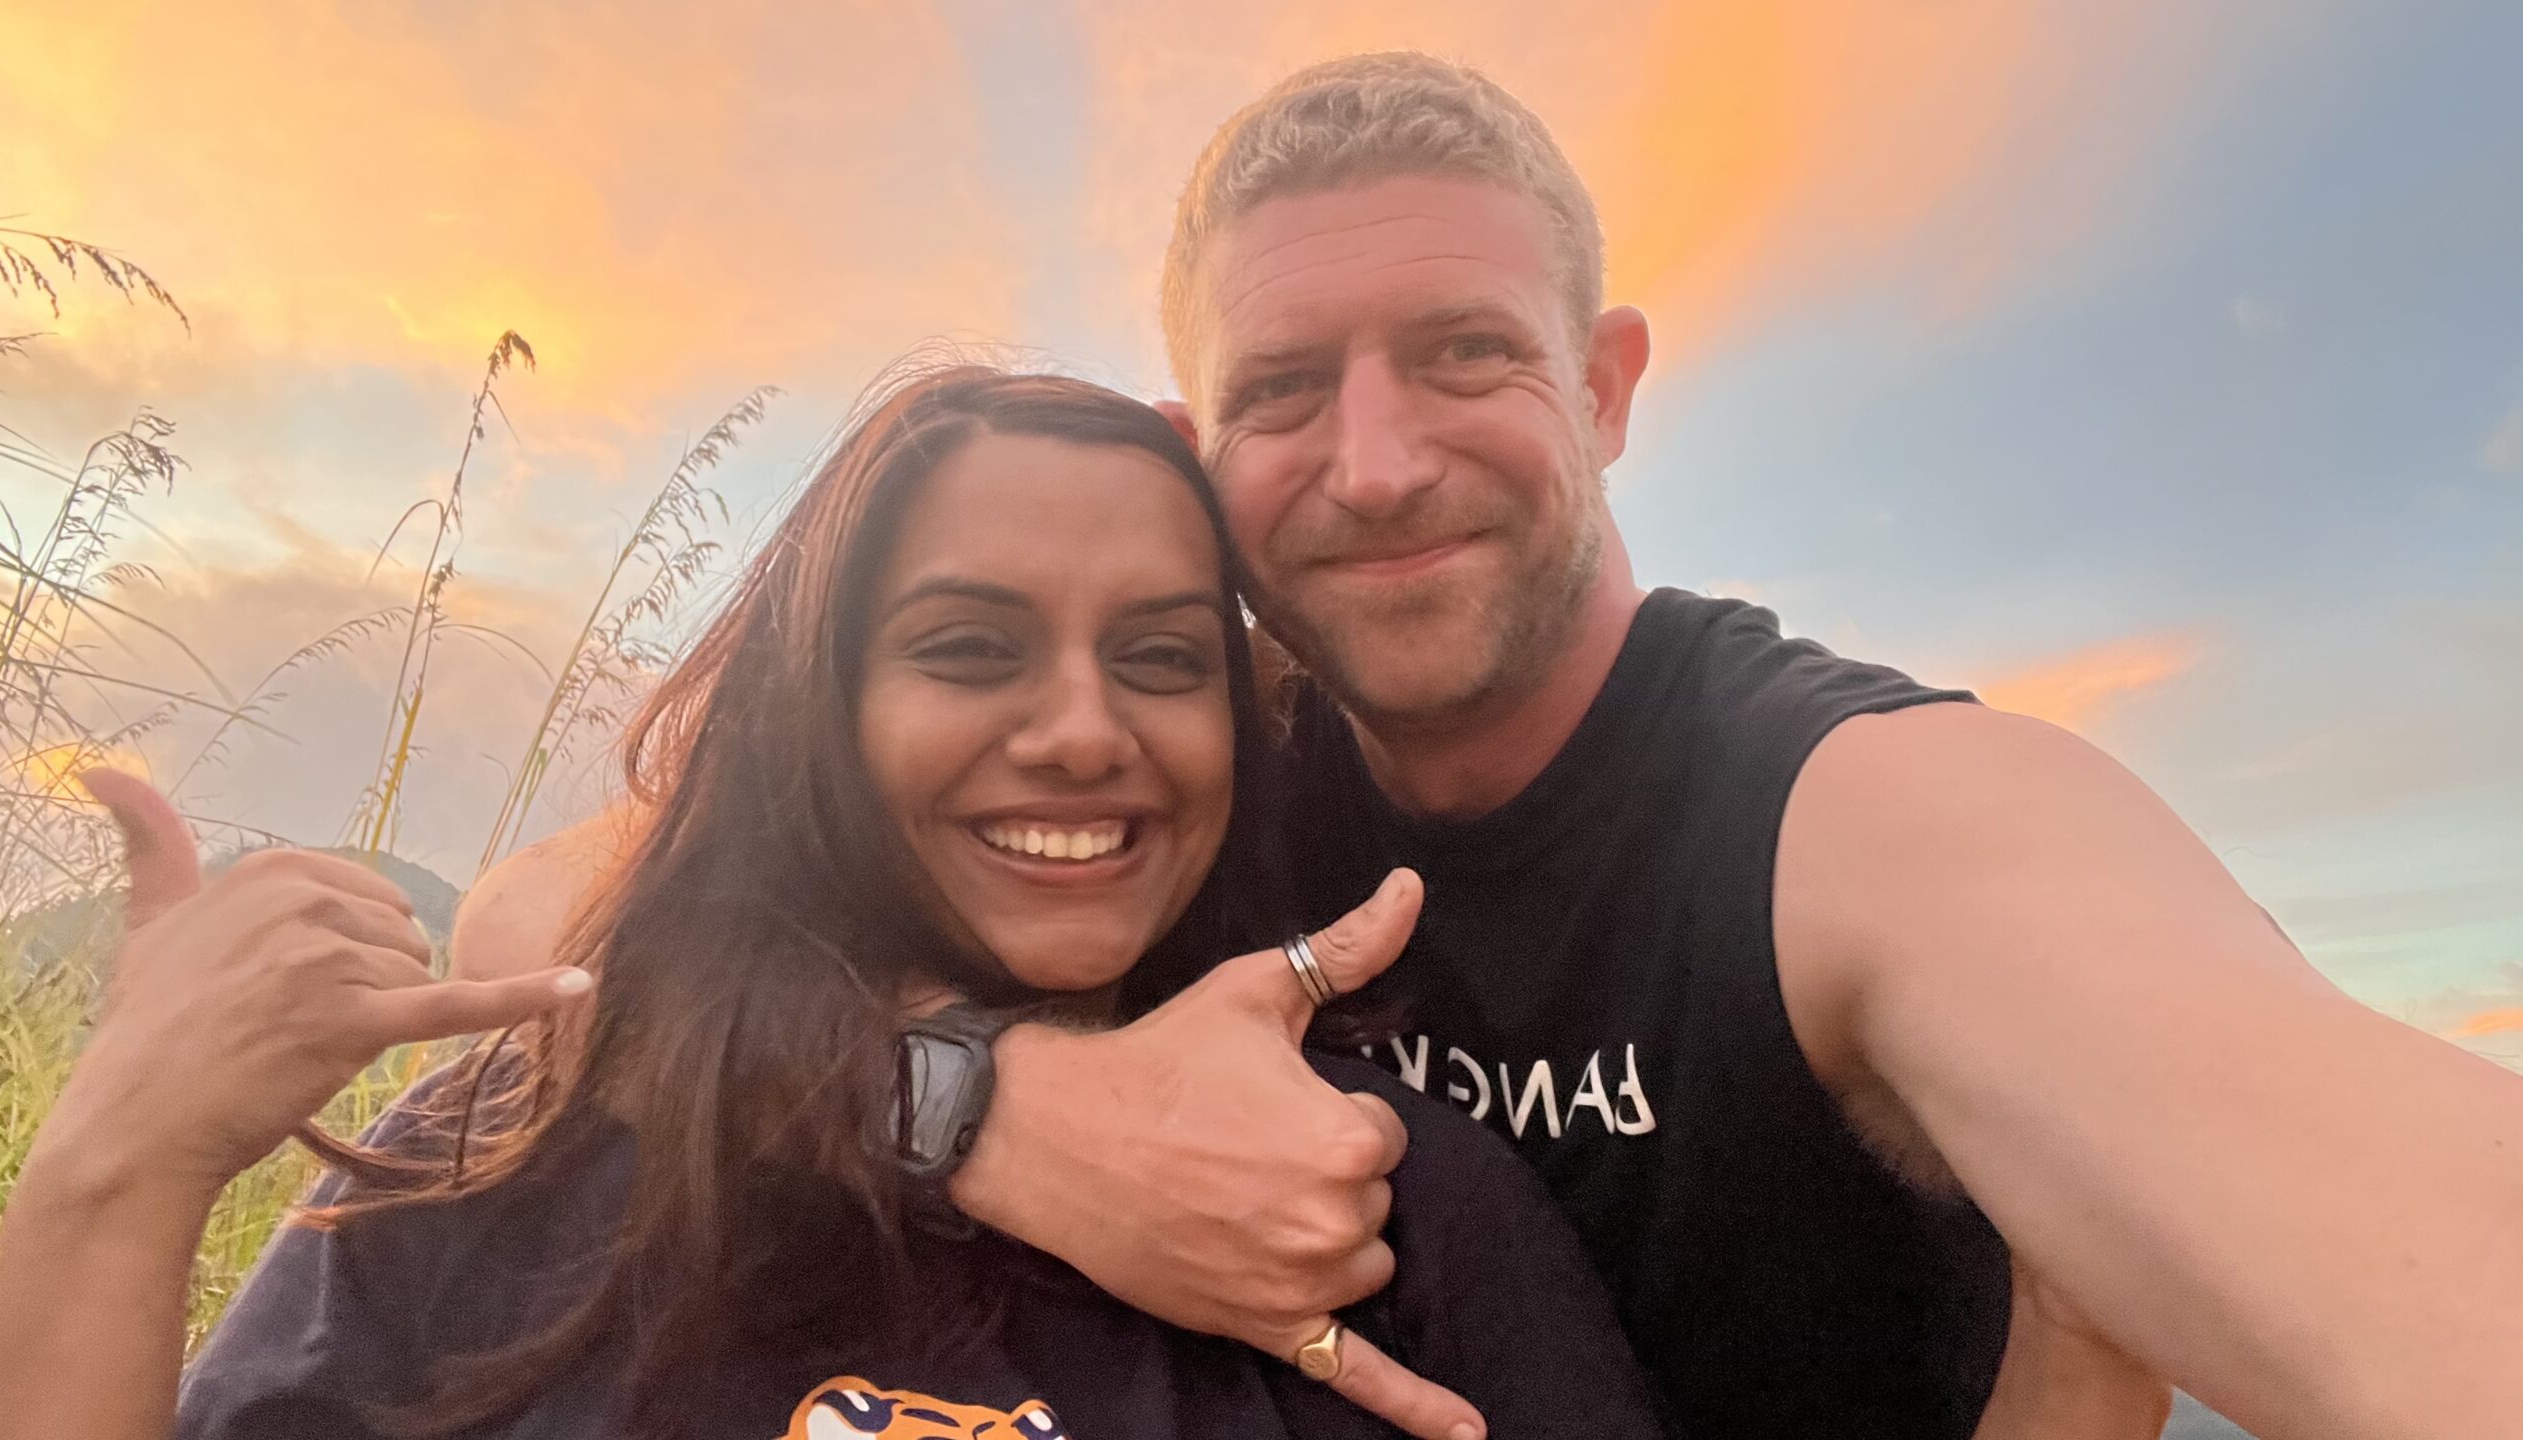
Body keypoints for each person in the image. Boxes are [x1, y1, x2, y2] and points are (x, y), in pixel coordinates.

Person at [461, 54, 2523, 1440]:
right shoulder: (1170, 784)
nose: (1374, 464)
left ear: (1604, 387)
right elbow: (534, 928)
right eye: (1285, 388)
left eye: (1463, 354)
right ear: (1195, 446)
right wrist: (983, 1105)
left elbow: (2399, 1244)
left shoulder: (1848, 816)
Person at [0, 368, 1665, 1440]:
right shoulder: (516, 1142)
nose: (1085, 733)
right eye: (968, 648)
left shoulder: (1369, 1195)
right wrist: (117, 1168)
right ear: (816, 713)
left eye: (1163, 658)